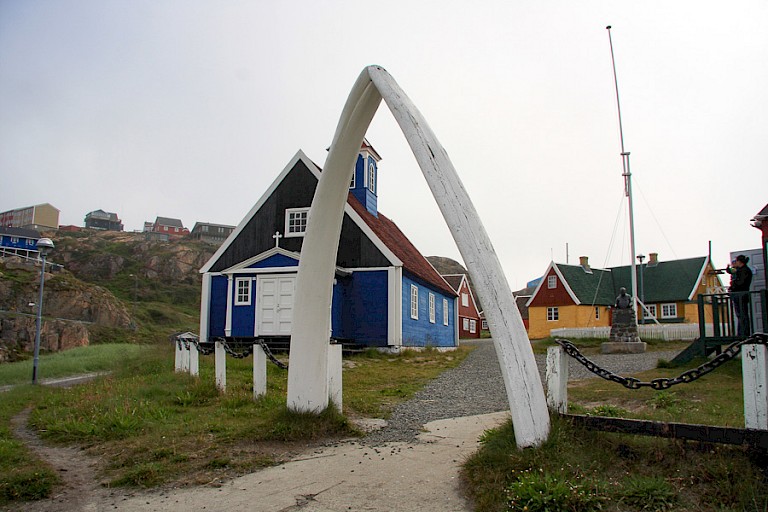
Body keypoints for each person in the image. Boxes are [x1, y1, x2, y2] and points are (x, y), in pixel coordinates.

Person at [725, 255, 753, 337]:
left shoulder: (744, 271)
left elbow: (740, 283)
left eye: (736, 261)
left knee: (742, 315)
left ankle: (743, 334)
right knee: (741, 315)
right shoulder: (741, 270)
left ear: (739, 262)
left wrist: (732, 285)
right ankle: (742, 333)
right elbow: (731, 271)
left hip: (740, 295)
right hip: (739, 295)